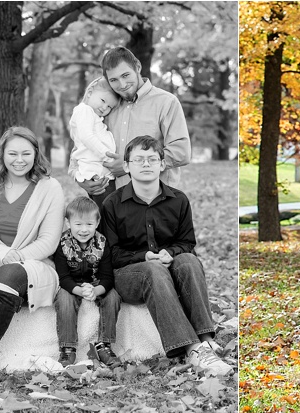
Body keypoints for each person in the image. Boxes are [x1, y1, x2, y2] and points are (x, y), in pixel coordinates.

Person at [101, 135, 231, 376]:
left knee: (189, 260)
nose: (146, 164)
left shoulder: (178, 200)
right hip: (128, 276)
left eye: (152, 159)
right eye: (139, 159)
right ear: (127, 166)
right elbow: (111, 254)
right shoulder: (112, 204)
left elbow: (187, 243)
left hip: (166, 268)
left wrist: (170, 253)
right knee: (153, 269)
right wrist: (144, 257)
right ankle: (193, 349)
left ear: (162, 164)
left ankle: (205, 337)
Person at [0, 126, 65, 380]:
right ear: (2, 155)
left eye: (26, 153)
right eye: (12, 153)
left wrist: (14, 257)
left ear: (36, 154)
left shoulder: (50, 188)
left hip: (34, 265)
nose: (19, 160)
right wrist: (1, 252)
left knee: (7, 276)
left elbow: (48, 241)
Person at [72, 46, 191, 206]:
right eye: (113, 80)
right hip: (111, 202)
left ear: (138, 67)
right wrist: (79, 178)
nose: (121, 84)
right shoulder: (106, 106)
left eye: (126, 75)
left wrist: (131, 164)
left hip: (154, 201)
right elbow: (82, 145)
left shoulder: (166, 102)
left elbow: (181, 152)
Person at [53, 197, 121, 367]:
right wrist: (79, 291)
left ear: (97, 223)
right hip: (71, 285)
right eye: (78, 224)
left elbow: (108, 277)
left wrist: (96, 291)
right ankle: (67, 347)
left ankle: (104, 345)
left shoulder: (102, 244)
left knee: (113, 296)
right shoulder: (62, 244)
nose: (84, 230)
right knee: (63, 298)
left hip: (96, 282)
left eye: (89, 224)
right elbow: (63, 277)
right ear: (68, 223)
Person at [69, 77, 120, 206]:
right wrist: (107, 157)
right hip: (96, 172)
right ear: (90, 92)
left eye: (109, 107)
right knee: (107, 212)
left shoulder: (92, 114)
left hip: (100, 171)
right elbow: (87, 137)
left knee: (107, 210)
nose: (104, 108)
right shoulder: (84, 110)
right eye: (103, 101)